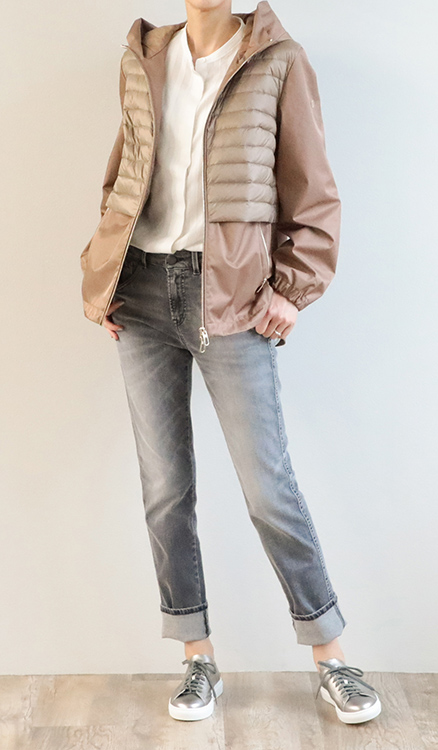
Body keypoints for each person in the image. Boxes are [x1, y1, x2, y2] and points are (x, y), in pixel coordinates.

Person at [80, 0, 382, 726]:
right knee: (165, 489)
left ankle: (332, 657)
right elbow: (123, 177)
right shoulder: (145, 57)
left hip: (234, 298)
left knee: (267, 489)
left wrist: (294, 289)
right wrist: (100, 274)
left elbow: (314, 191)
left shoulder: (278, 59)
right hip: (141, 289)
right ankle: (197, 658)